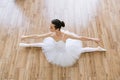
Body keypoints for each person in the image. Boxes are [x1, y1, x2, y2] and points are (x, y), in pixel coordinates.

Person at [19, 19, 106, 67]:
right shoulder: (52, 34)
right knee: (42, 44)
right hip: (54, 47)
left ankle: (97, 49)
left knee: (81, 50)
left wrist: (93, 39)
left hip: (64, 51)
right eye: (50, 26)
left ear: (57, 29)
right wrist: (25, 37)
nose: (49, 28)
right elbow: (38, 36)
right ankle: (27, 44)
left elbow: (80, 38)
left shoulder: (65, 35)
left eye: (51, 27)